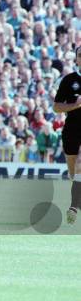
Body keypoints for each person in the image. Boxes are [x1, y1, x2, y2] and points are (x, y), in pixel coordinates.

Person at [54, 47, 81, 224]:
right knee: (74, 172)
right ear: (77, 59)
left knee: (80, 165)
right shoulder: (69, 80)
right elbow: (56, 107)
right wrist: (74, 106)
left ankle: (73, 207)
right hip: (71, 129)